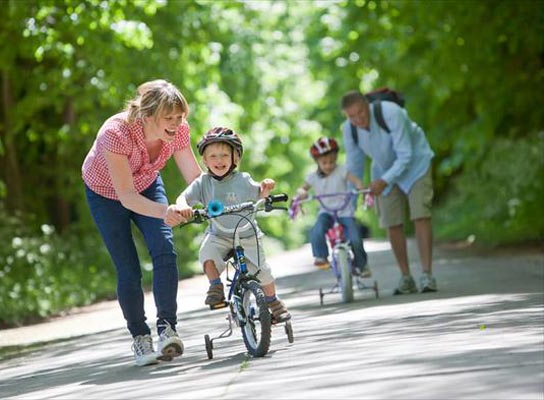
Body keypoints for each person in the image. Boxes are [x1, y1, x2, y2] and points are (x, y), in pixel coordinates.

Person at [81, 79, 202, 366]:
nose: (176, 123)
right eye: (169, 118)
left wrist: (197, 202)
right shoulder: (116, 133)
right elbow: (126, 196)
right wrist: (165, 212)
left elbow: (195, 178)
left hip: (147, 184)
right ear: (148, 116)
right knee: (128, 269)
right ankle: (140, 337)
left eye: (180, 117)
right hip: (107, 194)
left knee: (164, 250)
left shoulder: (178, 131)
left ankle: (167, 330)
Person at [175, 127, 291, 323]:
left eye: (224, 155)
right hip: (219, 234)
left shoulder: (242, 180)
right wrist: (182, 206)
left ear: (235, 158)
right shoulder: (202, 183)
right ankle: (215, 287)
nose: (219, 160)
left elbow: (259, 193)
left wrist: (266, 188)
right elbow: (183, 198)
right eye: (213, 156)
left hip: (247, 234)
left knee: (263, 271)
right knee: (207, 255)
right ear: (204, 160)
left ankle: (273, 302)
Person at [340, 90, 437, 294]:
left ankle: (427, 275)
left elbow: (406, 154)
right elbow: (355, 165)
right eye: (351, 116)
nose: (358, 119)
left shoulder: (391, 112)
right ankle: (406, 278)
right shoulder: (349, 129)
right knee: (391, 222)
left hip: (416, 165)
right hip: (384, 169)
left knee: (420, 215)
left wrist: (383, 181)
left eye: (360, 113)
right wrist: (350, 200)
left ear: (367, 105)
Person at [294, 137, 371, 277]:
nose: (329, 165)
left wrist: (360, 187)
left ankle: (362, 265)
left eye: (332, 161)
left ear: (336, 158)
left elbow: (355, 180)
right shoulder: (312, 177)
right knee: (317, 229)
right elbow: (302, 189)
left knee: (355, 238)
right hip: (326, 212)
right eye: (324, 162)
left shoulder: (342, 170)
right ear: (317, 161)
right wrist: (301, 194)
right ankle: (321, 256)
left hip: (345, 211)